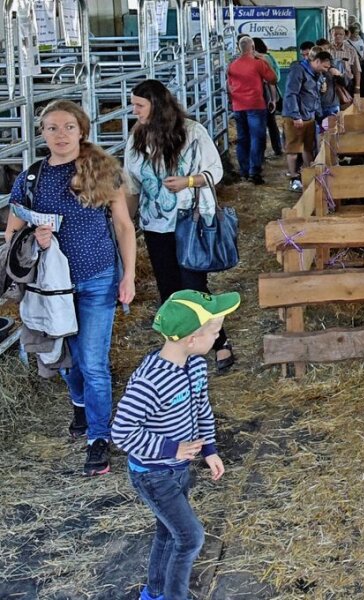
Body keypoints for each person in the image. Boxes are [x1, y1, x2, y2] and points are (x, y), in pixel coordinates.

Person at [6, 100, 136, 476]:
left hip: (98, 278)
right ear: (41, 133)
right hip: (51, 287)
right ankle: (79, 401)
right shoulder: (31, 178)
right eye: (51, 128)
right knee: (66, 358)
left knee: (94, 362)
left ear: (82, 130)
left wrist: (127, 276)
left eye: (68, 127)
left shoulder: (102, 172)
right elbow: (13, 230)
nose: (60, 135)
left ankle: (99, 438)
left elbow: (124, 227)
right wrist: (34, 235)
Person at [111, 290, 237, 600]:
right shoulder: (150, 381)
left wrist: (210, 450)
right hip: (152, 474)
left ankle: (153, 593)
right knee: (190, 537)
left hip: (178, 469)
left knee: (168, 533)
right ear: (193, 339)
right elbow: (121, 431)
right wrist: (172, 448)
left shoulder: (195, 365)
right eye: (215, 331)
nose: (218, 336)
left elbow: (201, 407)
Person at [125, 80, 235, 374]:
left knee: (194, 284)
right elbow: (132, 183)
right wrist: (126, 221)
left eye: (139, 105)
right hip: (155, 222)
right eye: (134, 104)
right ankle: (179, 346)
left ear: (157, 106)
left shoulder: (192, 132)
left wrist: (188, 181)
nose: (134, 111)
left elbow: (215, 170)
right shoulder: (136, 137)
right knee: (168, 287)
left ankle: (219, 340)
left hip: (190, 219)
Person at [226, 36, 276, 184]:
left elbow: (229, 86)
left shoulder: (232, 65)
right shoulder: (258, 63)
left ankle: (244, 171)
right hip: (255, 104)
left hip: (238, 105)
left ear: (238, 48)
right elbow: (273, 79)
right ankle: (254, 171)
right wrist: (265, 61)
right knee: (257, 138)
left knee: (242, 138)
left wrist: (232, 101)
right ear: (253, 47)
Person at [282, 51, 331, 187]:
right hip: (296, 117)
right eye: (325, 67)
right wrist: (295, 115)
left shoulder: (317, 74)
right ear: (317, 62)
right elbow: (291, 93)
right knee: (293, 148)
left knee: (308, 148)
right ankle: (294, 178)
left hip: (309, 115)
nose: (326, 70)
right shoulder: (298, 70)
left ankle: (310, 175)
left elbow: (314, 93)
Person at [253, 38, 283, 158]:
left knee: (263, 123)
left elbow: (270, 78)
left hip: (265, 93)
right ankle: (277, 148)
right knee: (271, 122)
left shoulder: (261, 58)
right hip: (271, 93)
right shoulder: (268, 56)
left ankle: (262, 151)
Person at [330, 26, 362, 99]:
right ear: (331, 35)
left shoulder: (351, 50)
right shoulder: (326, 49)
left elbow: (357, 70)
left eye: (340, 34)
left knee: (348, 106)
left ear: (344, 36)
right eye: (335, 34)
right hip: (330, 84)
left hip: (347, 83)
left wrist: (357, 87)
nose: (338, 36)